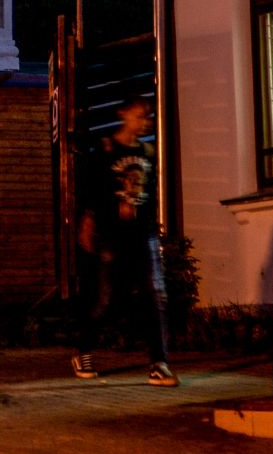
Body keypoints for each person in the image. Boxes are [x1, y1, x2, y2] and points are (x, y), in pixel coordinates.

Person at [72, 93, 178, 386]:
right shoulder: (106, 149)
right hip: (111, 235)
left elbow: (152, 192)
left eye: (148, 116)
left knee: (154, 296)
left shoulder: (147, 152)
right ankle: (84, 349)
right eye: (140, 115)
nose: (145, 121)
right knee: (106, 298)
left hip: (141, 235)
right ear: (123, 114)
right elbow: (91, 191)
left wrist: (154, 227)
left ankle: (159, 362)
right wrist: (89, 222)